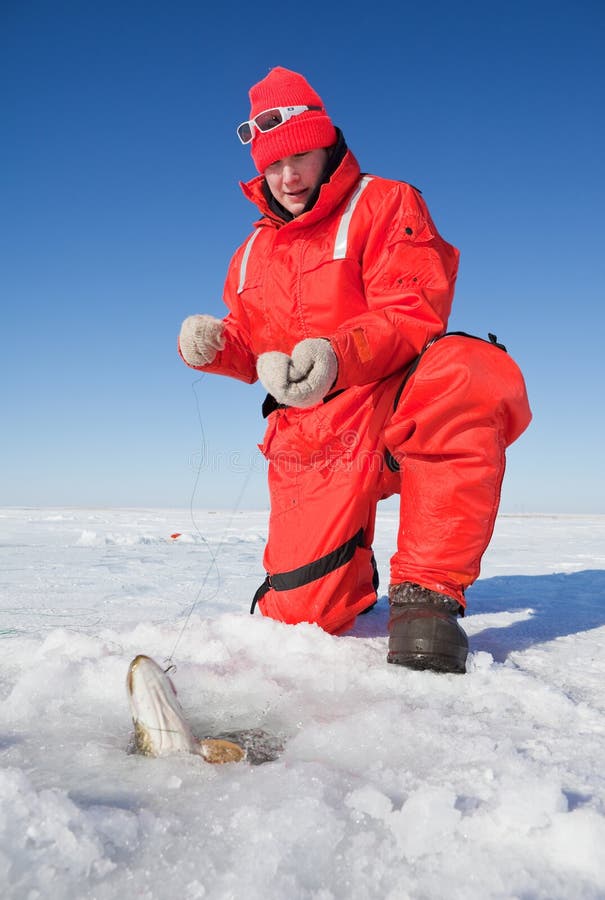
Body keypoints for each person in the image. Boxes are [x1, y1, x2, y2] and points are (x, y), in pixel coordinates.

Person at [178, 66, 532, 674]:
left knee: (467, 369)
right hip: (313, 436)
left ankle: (427, 596)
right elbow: (252, 342)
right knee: (304, 615)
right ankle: (347, 568)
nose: (287, 177)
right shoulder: (252, 251)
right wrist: (215, 346)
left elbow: (412, 307)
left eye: (301, 157)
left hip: (393, 401)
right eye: (273, 166)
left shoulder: (386, 200)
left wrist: (340, 355)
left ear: (328, 146)